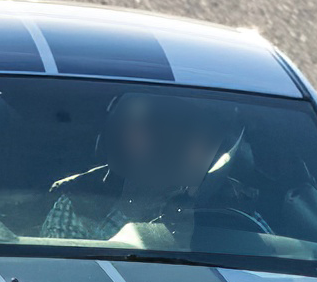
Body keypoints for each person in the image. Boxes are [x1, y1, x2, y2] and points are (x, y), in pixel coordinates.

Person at [39, 93, 261, 240]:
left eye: (188, 129)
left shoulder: (241, 216)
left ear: (218, 147)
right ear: (119, 133)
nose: (170, 143)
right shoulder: (81, 202)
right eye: (156, 125)